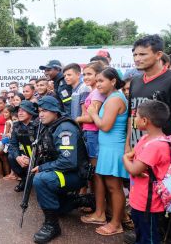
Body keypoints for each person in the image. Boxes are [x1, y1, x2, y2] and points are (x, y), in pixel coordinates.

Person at [125, 34, 171, 244]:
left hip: (163, 159)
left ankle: (167, 238)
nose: (137, 58)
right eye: (134, 54)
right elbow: (133, 116)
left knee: (165, 202)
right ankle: (146, 234)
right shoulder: (136, 82)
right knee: (142, 200)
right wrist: (128, 145)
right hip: (139, 153)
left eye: (142, 54)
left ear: (159, 55)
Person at [31, 95, 92, 243]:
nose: (41, 114)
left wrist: (43, 167)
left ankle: (52, 226)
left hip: (74, 174)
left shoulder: (64, 128)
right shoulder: (48, 126)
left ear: (55, 111)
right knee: (58, 209)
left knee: (41, 179)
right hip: (62, 172)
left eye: (45, 110)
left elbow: (68, 162)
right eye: (39, 111)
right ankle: (81, 200)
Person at [82, 68, 128, 236]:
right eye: (98, 81)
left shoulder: (114, 99)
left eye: (101, 81)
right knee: (111, 186)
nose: (98, 84)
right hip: (108, 146)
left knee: (114, 187)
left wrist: (93, 113)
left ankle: (116, 224)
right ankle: (112, 219)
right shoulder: (112, 97)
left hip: (113, 147)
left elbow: (105, 126)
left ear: (113, 81)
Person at [123, 100, 171, 244]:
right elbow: (135, 158)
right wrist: (132, 161)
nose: (134, 119)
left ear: (145, 120)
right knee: (140, 233)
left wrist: (124, 158)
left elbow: (133, 167)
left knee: (149, 237)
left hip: (149, 205)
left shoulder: (156, 146)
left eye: (136, 116)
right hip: (140, 200)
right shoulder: (145, 138)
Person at [75, 61, 105, 195]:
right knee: (90, 170)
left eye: (89, 74)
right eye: (84, 74)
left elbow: (91, 118)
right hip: (89, 133)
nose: (85, 77)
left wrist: (75, 119)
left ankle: (97, 205)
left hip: (93, 133)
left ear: (98, 75)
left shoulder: (97, 93)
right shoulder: (92, 92)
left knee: (94, 170)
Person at [8, 100, 38, 192]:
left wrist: (33, 159)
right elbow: (13, 145)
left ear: (30, 112)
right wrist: (18, 157)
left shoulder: (39, 125)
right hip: (25, 154)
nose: (20, 113)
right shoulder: (16, 126)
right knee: (11, 156)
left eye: (23, 110)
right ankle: (24, 179)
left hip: (39, 155)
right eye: (19, 110)